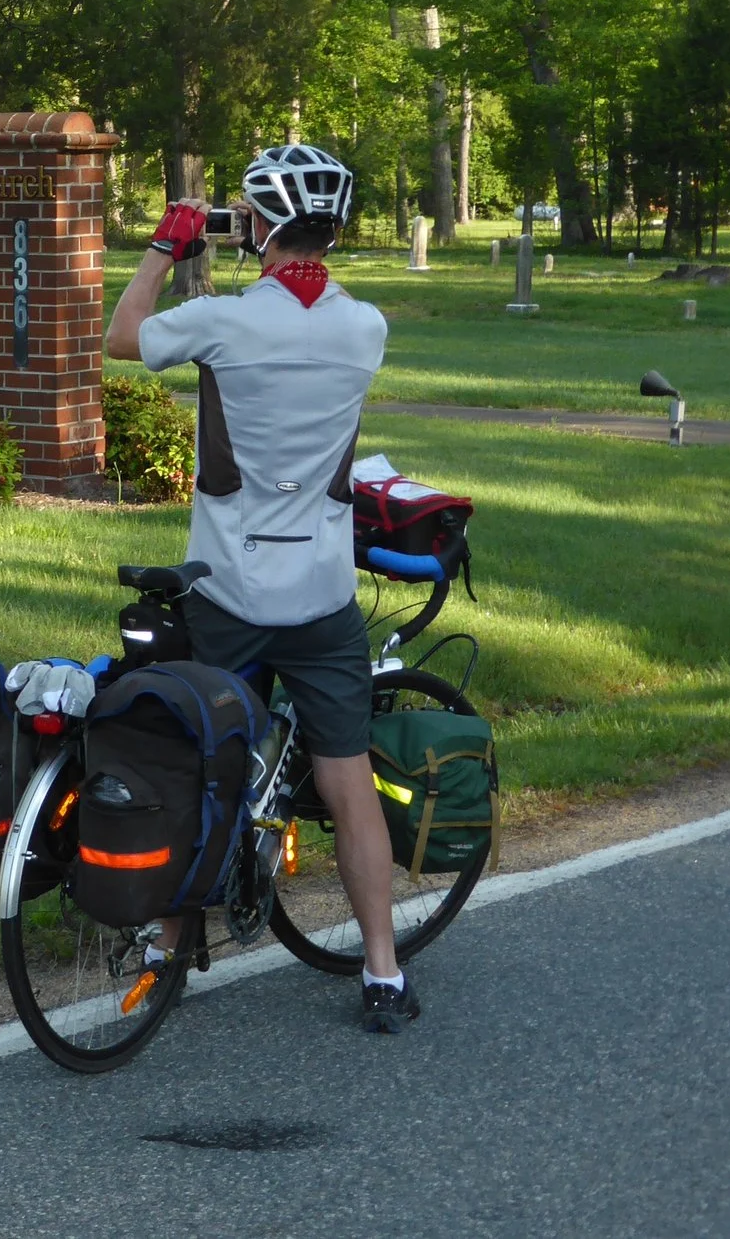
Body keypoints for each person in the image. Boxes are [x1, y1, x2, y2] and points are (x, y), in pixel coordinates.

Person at [103, 144, 419, 1034]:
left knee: (204, 762)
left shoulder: (222, 320)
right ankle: (383, 971)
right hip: (319, 591)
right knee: (347, 777)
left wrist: (168, 245)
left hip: (229, 589)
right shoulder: (367, 328)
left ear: (260, 226)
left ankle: (170, 942)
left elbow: (123, 335)